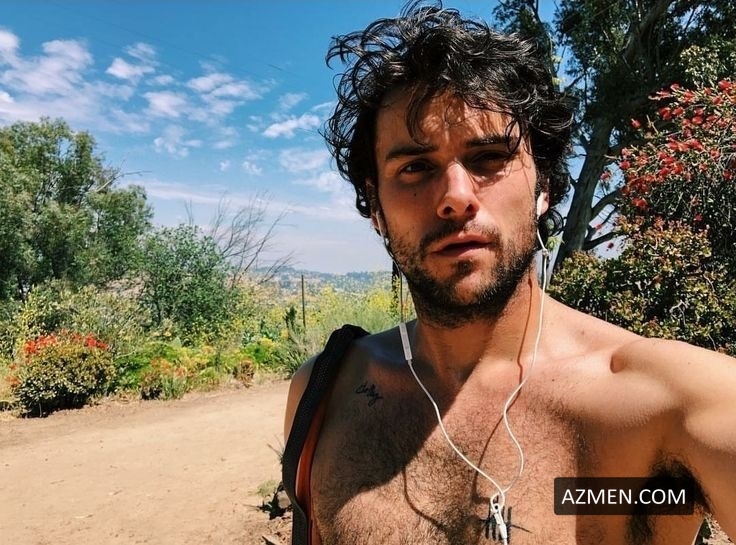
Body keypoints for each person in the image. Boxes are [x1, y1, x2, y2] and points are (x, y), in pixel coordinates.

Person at [283, 2, 736, 544]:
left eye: (489, 158)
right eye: (415, 167)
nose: (455, 197)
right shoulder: (325, 394)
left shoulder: (672, 404)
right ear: (376, 208)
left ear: (544, 188)